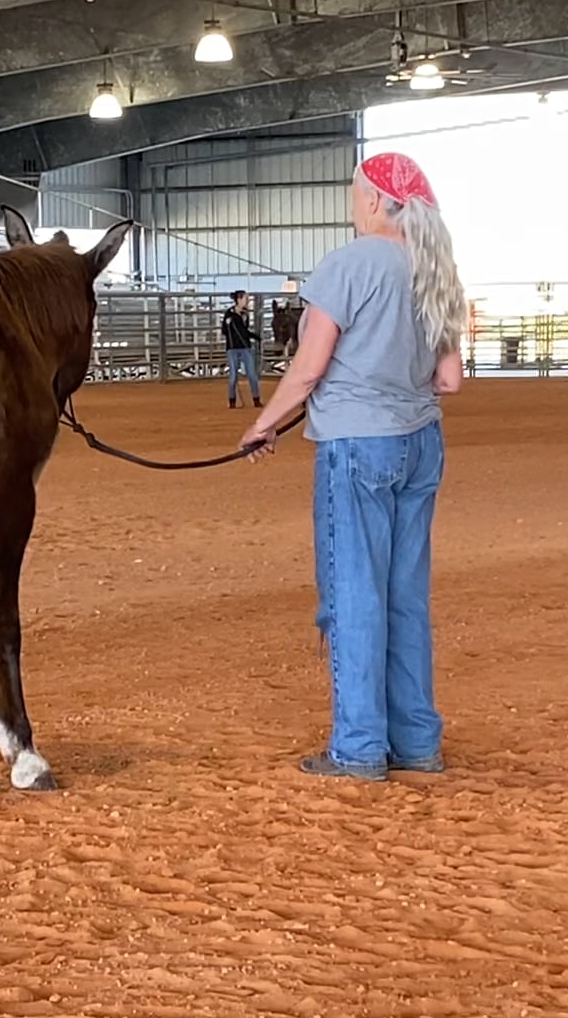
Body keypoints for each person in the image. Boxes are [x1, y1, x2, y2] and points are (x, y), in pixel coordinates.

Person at [239, 151, 467, 782]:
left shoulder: (346, 266)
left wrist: (264, 425)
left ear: (372, 200)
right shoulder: (435, 270)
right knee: (403, 596)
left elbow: (309, 367)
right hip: (420, 442)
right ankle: (417, 740)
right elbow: (449, 380)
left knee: (352, 596)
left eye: (353, 191)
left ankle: (360, 746)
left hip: (357, 445)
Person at [221, 289, 262, 409]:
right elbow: (225, 331)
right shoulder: (229, 314)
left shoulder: (244, 314)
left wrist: (255, 337)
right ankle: (232, 400)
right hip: (233, 348)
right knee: (233, 376)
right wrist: (228, 324)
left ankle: (256, 399)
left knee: (252, 375)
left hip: (245, 347)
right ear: (239, 299)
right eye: (246, 299)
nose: (247, 301)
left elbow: (244, 331)